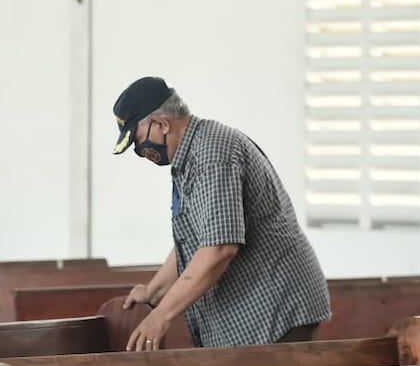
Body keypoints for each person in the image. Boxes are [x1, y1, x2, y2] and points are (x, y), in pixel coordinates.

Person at [112, 76, 331, 351]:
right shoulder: (191, 155)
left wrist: (162, 316)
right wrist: (154, 292)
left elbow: (218, 249)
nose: (140, 151)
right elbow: (195, 241)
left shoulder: (212, 155)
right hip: (257, 313)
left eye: (138, 140)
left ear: (162, 124)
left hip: (274, 312)